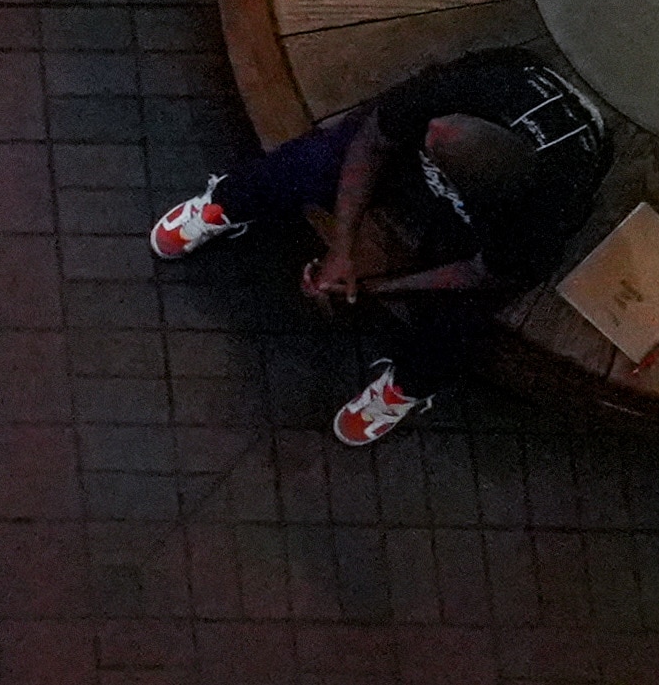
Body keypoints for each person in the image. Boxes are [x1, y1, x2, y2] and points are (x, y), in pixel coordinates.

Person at [149, 47, 608, 444]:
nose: (431, 138)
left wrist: (377, 288)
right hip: (430, 152)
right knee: (317, 160)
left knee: (460, 325)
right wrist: (342, 249)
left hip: (471, 223)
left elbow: (481, 272)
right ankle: (228, 203)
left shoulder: (545, 214)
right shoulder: (463, 93)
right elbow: (372, 143)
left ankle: (407, 385)